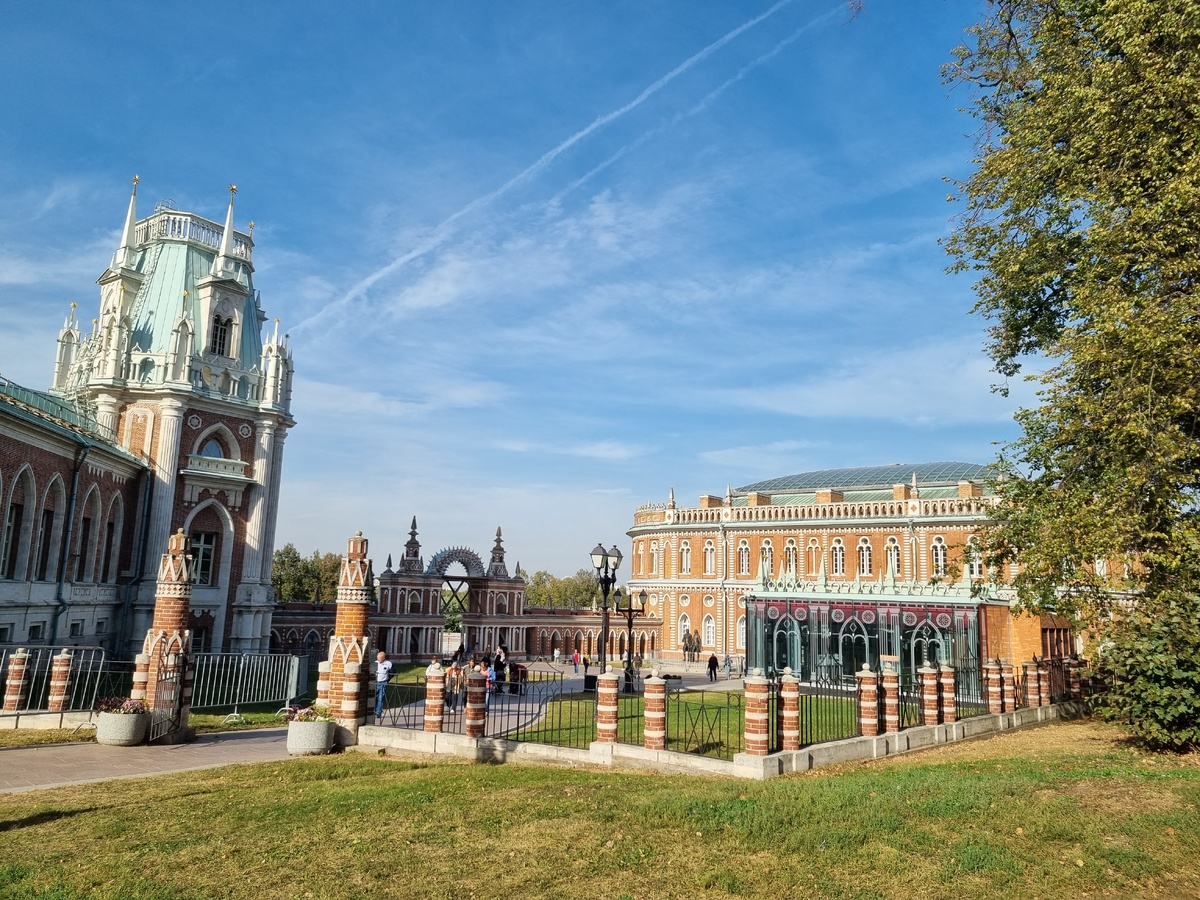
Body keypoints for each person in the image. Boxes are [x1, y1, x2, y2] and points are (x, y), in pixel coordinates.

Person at [375, 650, 393, 720]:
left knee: (380, 697)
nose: (378, 659)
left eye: (380, 658)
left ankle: (378, 712)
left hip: (383, 682)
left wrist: (388, 679)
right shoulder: (375, 663)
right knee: (375, 697)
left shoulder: (388, 664)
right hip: (376, 682)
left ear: (383, 658)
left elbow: (392, 672)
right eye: (378, 658)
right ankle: (374, 710)